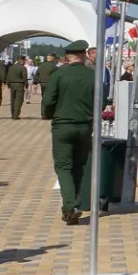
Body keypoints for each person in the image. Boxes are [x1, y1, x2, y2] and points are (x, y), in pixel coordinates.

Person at [42, 40, 95, 224]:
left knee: (63, 167)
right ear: (83, 55)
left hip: (62, 125)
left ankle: (71, 205)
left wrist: (51, 115)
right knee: (79, 166)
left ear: (68, 57)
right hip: (85, 125)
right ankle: (73, 206)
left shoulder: (59, 74)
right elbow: (103, 101)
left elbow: (48, 100)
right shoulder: (92, 75)